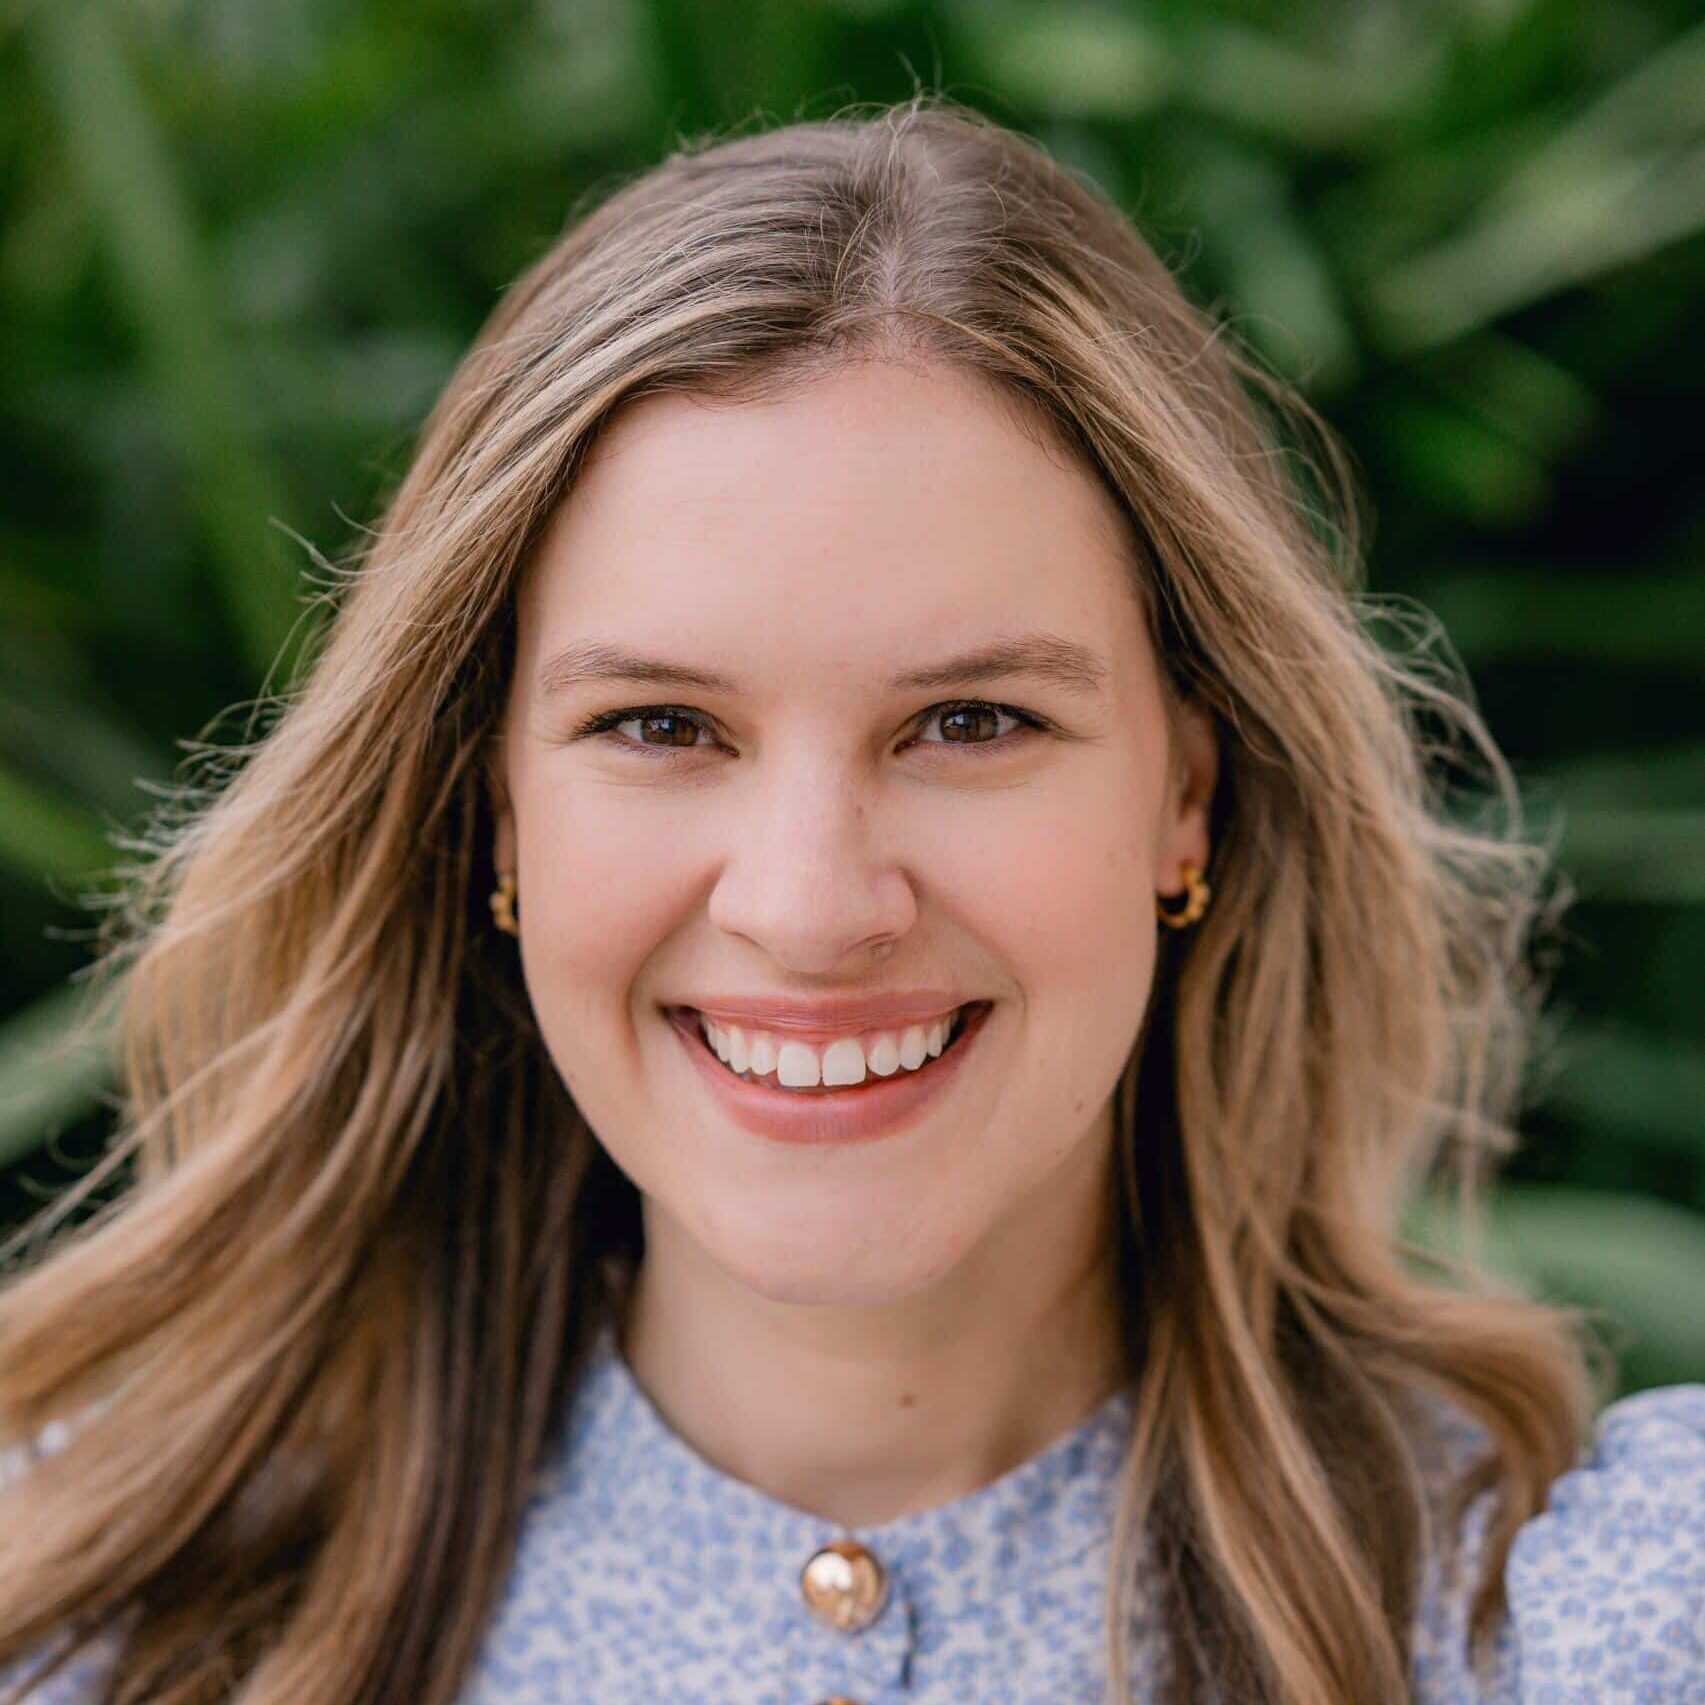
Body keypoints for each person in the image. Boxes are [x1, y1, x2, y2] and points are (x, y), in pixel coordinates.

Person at [0, 94, 1699, 1705]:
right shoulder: (92, 1621)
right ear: (495, 809)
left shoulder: (1579, 1634)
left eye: (970, 722)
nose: (811, 907)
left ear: (1187, 792)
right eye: (661, 726)